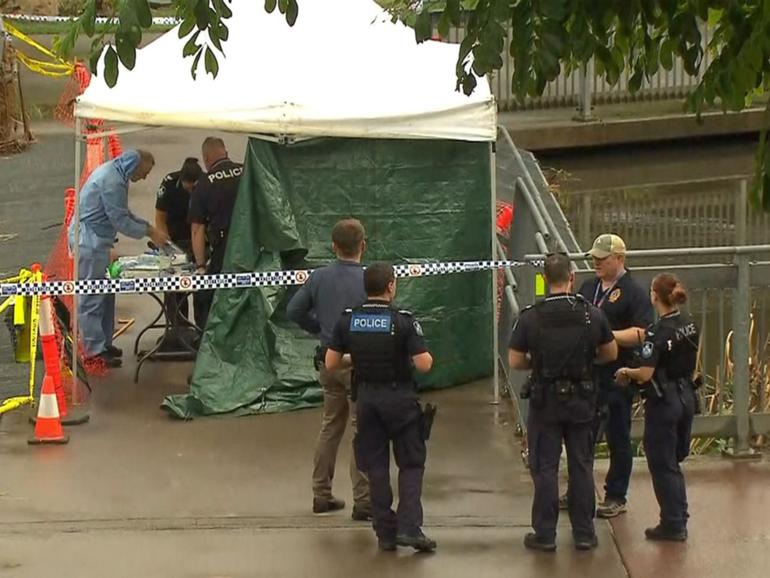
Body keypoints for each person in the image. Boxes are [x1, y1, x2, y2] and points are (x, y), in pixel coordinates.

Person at [509, 253, 617, 552]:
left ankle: (545, 534)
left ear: (544, 278)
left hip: (545, 402)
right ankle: (584, 533)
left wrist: (540, 365)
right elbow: (610, 352)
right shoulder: (591, 314)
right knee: (581, 465)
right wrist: (586, 362)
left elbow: (516, 360)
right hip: (582, 400)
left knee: (545, 468)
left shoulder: (531, 316)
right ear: (572, 277)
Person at [326, 262, 436, 552]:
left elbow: (331, 362)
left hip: (366, 399)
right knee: (411, 463)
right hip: (399, 399)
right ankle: (410, 528)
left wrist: (357, 359)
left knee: (375, 467)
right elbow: (424, 364)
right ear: (390, 286)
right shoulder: (403, 320)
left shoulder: (348, 320)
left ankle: (385, 532)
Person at [286, 219, 371, 520]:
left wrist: (321, 329)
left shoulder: (319, 277)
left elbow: (294, 310)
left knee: (330, 425)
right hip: (361, 363)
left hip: (328, 359)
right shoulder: (368, 279)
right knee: (363, 429)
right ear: (364, 245)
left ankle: (321, 493)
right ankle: (364, 500)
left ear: (333, 246)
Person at [614, 273, 699, 542]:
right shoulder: (689, 322)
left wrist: (627, 370)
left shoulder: (657, 332)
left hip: (664, 402)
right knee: (673, 461)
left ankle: (673, 522)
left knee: (662, 463)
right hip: (687, 395)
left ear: (654, 296)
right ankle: (679, 514)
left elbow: (646, 374)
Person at [575, 233, 653, 519]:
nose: (595, 263)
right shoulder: (588, 286)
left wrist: (606, 337)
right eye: (593, 258)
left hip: (619, 373)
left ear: (619, 259)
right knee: (581, 434)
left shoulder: (634, 292)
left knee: (618, 436)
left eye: (602, 259)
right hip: (587, 373)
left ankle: (616, 494)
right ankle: (578, 488)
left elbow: (643, 332)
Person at [68, 149, 169, 368]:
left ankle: (103, 343)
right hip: (90, 243)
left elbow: (124, 212)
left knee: (106, 294)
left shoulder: (115, 174)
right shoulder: (112, 181)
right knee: (92, 296)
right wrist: (150, 233)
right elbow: (120, 220)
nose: (144, 177)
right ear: (136, 165)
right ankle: (93, 350)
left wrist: (148, 227)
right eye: (145, 171)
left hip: (98, 242)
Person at [188, 137, 243, 330]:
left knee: (206, 294)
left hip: (224, 248)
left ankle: (206, 338)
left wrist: (201, 265)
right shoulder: (246, 171)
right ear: (225, 152)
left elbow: (197, 229)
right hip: (253, 245)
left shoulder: (204, 184)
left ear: (206, 158)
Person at [155, 157, 204, 329]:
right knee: (175, 289)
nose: (191, 190)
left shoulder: (206, 184)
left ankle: (201, 329)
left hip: (198, 239)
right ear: (181, 181)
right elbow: (160, 218)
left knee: (202, 289)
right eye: (187, 186)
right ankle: (178, 329)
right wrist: (167, 246)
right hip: (175, 238)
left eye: (194, 187)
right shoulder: (169, 184)